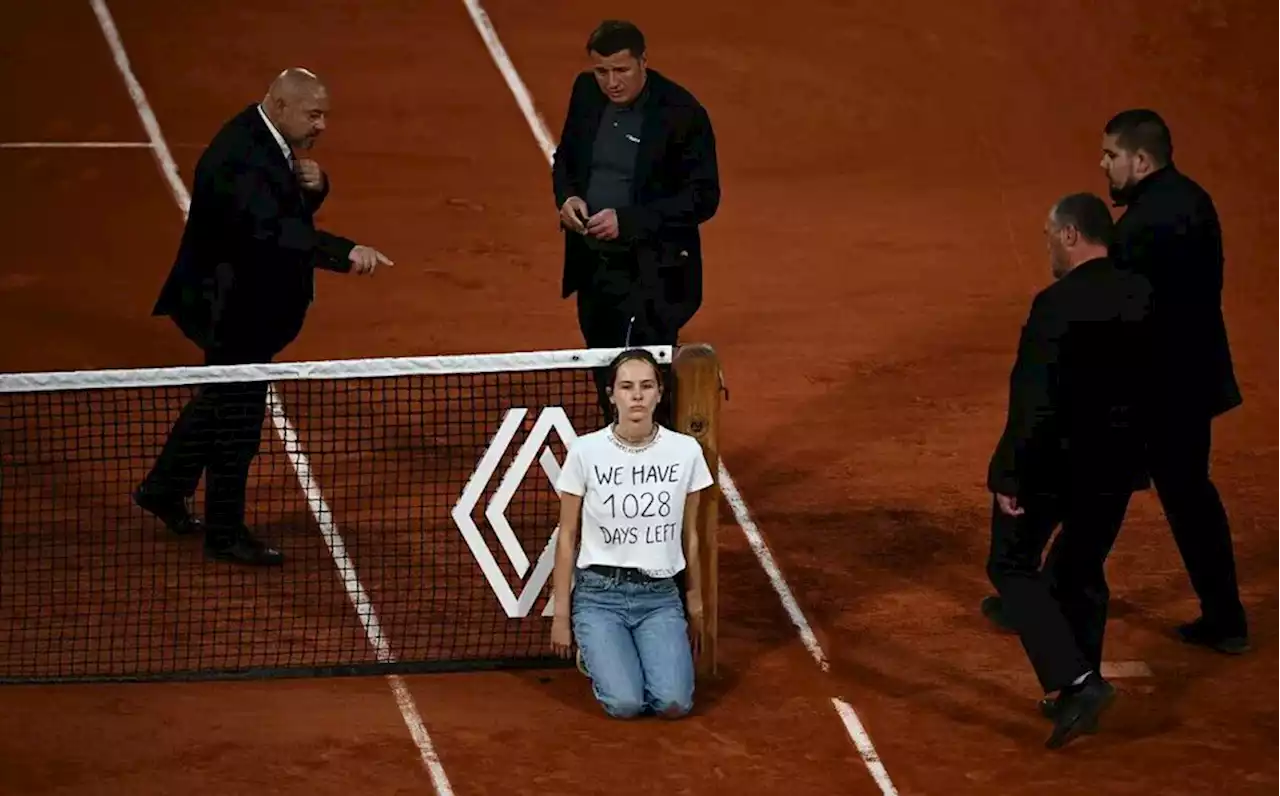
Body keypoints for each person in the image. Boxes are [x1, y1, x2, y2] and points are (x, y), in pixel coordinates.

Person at [979, 110, 1251, 657]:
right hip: (1191, 383)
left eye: (1110, 155)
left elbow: (1111, 301)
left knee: (1085, 487)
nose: (1103, 164)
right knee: (1187, 497)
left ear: (1141, 160)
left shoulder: (1142, 227)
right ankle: (1226, 618)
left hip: (1155, 388)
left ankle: (1031, 590)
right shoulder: (1193, 200)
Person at [132, 67, 393, 566]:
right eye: (314, 114)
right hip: (230, 306)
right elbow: (274, 231)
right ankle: (224, 534)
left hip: (247, 302)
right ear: (280, 105)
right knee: (239, 423)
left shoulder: (266, 140)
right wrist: (345, 251)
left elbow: (288, 208)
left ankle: (165, 487)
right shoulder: (241, 157)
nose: (322, 126)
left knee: (221, 400)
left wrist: (316, 187)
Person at [985, 193, 1154, 749]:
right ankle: (1079, 688)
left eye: (1050, 236)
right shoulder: (1142, 293)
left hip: (1055, 466)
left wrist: (1009, 474)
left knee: (1011, 565)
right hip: (1118, 466)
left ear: (1072, 235)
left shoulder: (1055, 305)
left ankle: (1079, 682)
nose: (1048, 247)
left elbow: (1032, 398)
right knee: (1082, 569)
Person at [550, 20, 720, 424]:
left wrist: (627, 221)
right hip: (593, 261)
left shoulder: (681, 114)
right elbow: (567, 159)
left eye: (621, 70)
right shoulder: (586, 93)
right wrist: (568, 196)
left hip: (652, 270)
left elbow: (704, 197)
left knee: (642, 374)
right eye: (602, 71)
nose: (611, 82)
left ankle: (661, 459)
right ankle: (621, 447)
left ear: (644, 62)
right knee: (604, 362)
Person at [549, 348, 714, 719]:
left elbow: (691, 536)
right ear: (612, 395)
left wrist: (696, 604)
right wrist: (561, 617)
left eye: (645, 386)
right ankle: (594, 654)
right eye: (626, 387)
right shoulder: (585, 451)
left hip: (659, 597)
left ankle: (627, 653)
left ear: (659, 393)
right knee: (625, 705)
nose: (636, 395)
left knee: (673, 704)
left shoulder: (685, 452)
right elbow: (567, 537)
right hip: (598, 596)